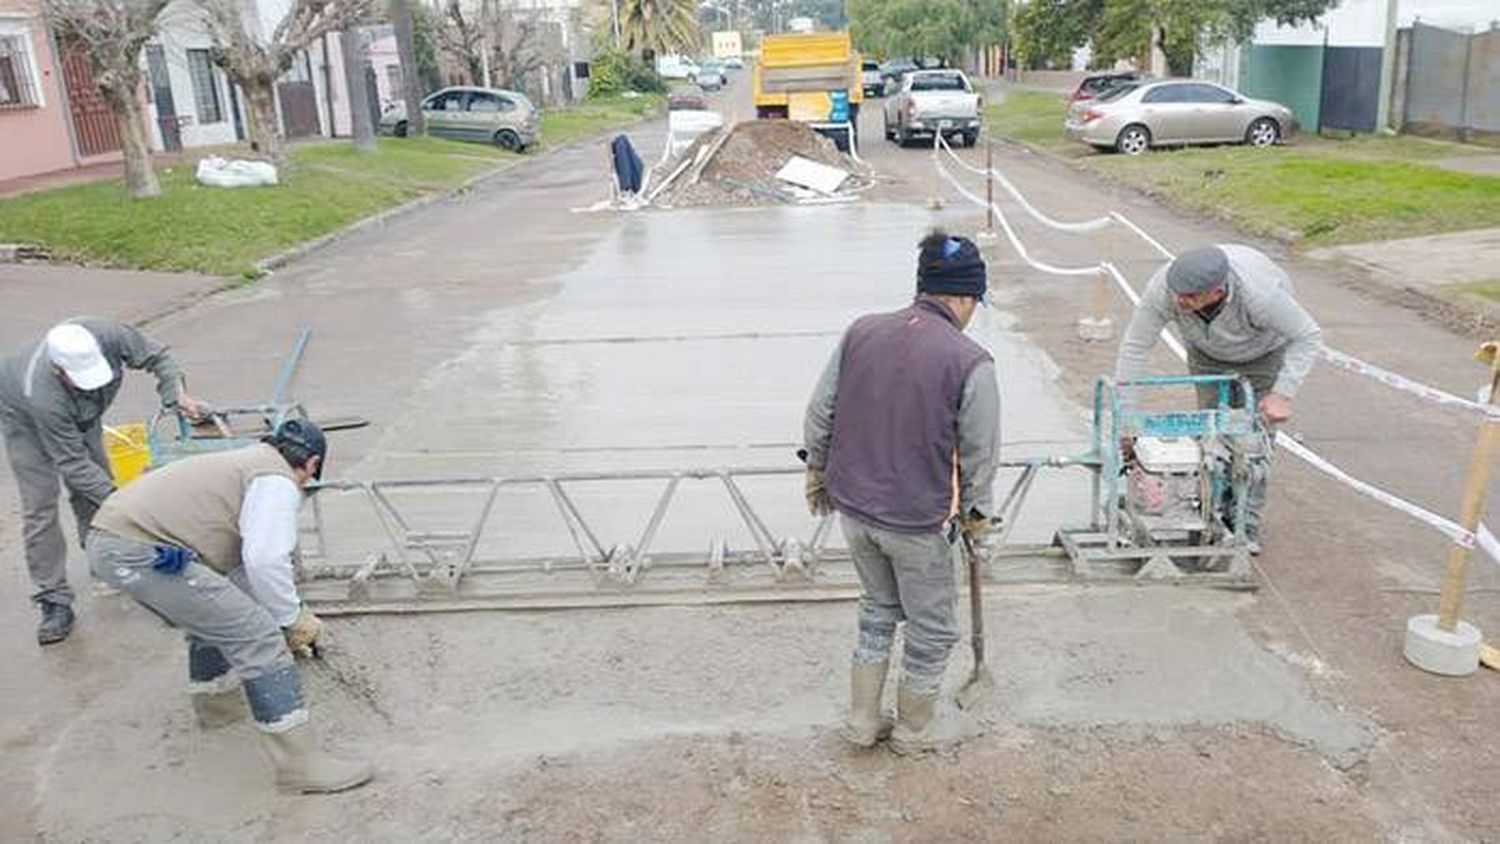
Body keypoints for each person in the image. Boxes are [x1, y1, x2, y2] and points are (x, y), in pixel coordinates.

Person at [86, 419, 374, 794]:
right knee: (259, 637)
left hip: (120, 539)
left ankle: (218, 710)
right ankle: (300, 767)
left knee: (222, 613)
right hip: (137, 549)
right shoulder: (277, 480)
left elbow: (240, 573)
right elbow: (266, 560)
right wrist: (291, 619)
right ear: (312, 464)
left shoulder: (247, 462)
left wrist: (274, 609)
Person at [803, 231, 1001, 755]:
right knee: (932, 630)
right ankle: (915, 729)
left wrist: (818, 472)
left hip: (855, 511)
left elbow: (820, 412)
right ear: (962, 297)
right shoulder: (969, 360)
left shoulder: (860, 332)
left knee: (877, 609)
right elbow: (980, 454)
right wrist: (978, 520)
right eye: (975, 302)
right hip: (917, 520)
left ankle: (863, 720)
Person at [0, 318, 205, 645]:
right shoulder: (43, 396)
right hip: (22, 417)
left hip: (84, 415)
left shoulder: (110, 335)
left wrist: (175, 394)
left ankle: (103, 563)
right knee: (40, 504)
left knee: (95, 487)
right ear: (59, 372)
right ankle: (53, 597)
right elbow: (73, 464)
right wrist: (130, 506)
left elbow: (159, 358)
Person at [1115, 244, 1322, 550]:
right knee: (1211, 433)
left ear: (1218, 291)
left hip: (1263, 352)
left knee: (1253, 443)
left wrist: (1282, 394)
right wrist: (1128, 418)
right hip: (1207, 353)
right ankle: (1213, 512)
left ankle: (1245, 528)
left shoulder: (1260, 296)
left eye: (1190, 297)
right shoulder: (1163, 290)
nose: (1179, 301)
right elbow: (1135, 347)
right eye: (1177, 294)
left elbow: (1308, 335)